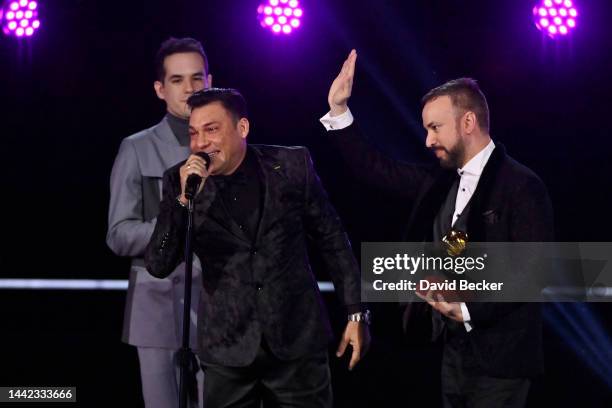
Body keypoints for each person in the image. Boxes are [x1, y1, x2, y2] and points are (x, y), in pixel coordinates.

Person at [320, 50, 554, 407]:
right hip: (449, 355)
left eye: (435, 127)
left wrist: (468, 308)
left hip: (501, 361)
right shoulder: (438, 180)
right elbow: (374, 169)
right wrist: (339, 112)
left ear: (468, 122)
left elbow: (532, 271)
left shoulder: (522, 186)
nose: (428, 140)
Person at [145, 87, 371, 407]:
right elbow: (158, 262)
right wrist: (183, 201)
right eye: (194, 133)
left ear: (242, 128)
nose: (200, 143)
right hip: (228, 349)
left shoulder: (292, 165)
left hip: (297, 343)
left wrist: (356, 311)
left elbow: (332, 239)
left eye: (212, 130)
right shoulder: (179, 182)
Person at [107, 37, 212, 408]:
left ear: (210, 81)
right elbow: (119, 235)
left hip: (224, 309)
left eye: (197, 78)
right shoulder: (136, 148)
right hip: (157, 306)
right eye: (178, 80)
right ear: (160, 89)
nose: (189, 89)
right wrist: (174, 223)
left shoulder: (232, 148)